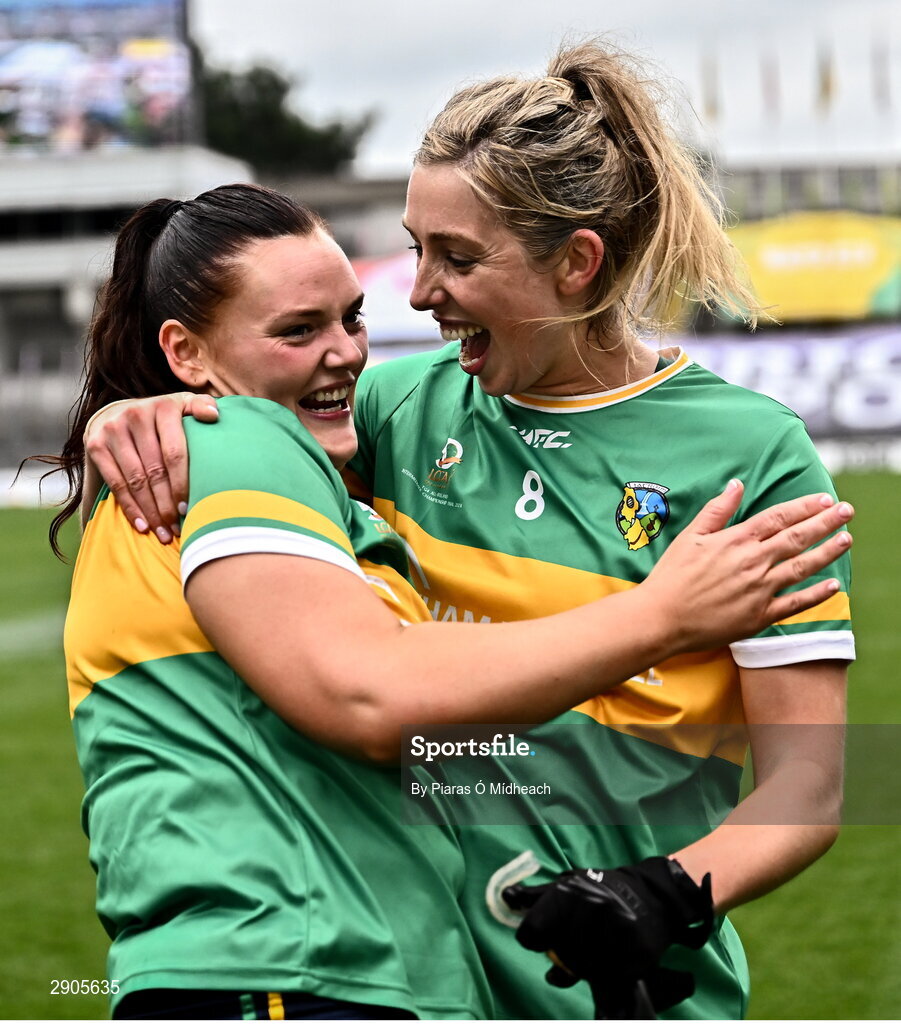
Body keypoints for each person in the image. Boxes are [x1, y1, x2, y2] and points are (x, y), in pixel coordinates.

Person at [80, 41, 854, 1018]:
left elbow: (811, 789)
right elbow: (251, 432)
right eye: (414, 246)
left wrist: (661, 889)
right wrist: (141, 411)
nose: (414, 292)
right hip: (431, 985)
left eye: (456, 257)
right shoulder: (396, 408)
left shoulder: (749, 454)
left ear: (575, 265)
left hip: (626, 985)